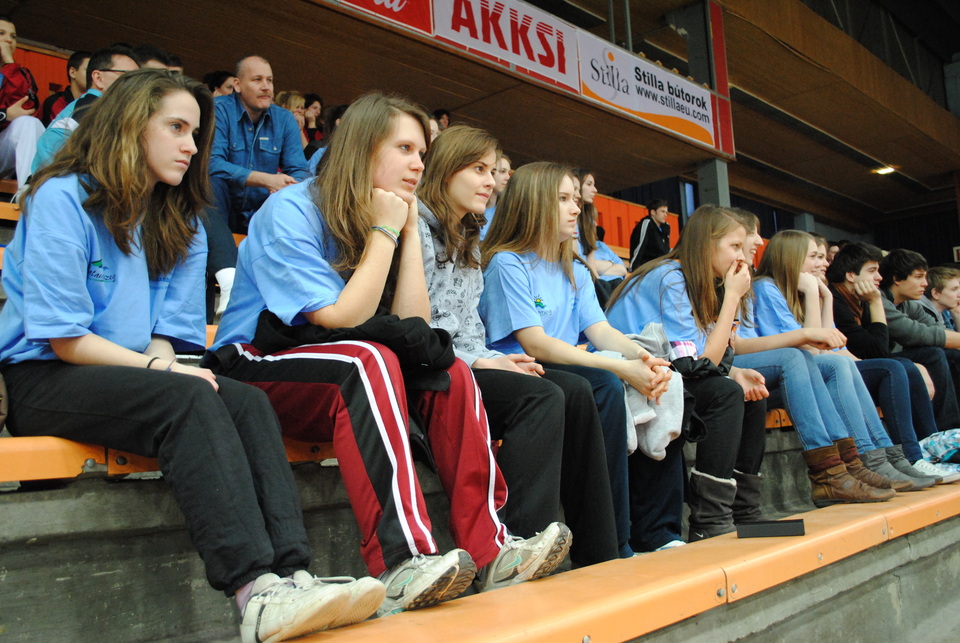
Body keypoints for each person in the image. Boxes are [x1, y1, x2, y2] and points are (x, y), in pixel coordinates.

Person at [0, 68, 385, 643]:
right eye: (176, 128)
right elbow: (65, 339)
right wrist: (159, 371)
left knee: (247, 402)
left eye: (196, 133)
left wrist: (160, 365)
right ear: (129, 126)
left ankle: (293, 574)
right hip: (45, 376)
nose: (189, 145)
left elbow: (164, 336)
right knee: (187, 397)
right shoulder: (62, 196)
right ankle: (253, 591)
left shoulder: (181, 217)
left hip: (129, 374)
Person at [207, 93, 570, 616]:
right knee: (367, 359)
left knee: (449, 371)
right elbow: (339, 318)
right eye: (404, 149)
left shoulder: (386, 212)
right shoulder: (291, 209)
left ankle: (492, 551)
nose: (419, 163)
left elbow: (413, 326)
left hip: (341, 363)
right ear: (362, 148)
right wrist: (385, 230)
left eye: (422, 152)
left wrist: (407, 229)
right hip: (256, 362)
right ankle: (402, 561)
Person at [417, 124, 616, 565]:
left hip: (464, 361)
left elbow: (469, 329)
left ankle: (601, 552)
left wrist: (493, 359)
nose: (490, 181)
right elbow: (417, 328)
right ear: (446, 170)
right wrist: (484, 362)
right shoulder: (417, 227)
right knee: (543, 395)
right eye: (478, 169)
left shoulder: (467, 239)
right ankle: (521, 546)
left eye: (493, 171)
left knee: (578, 389)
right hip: (428, 369)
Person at [480, 161, 672, 557]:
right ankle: (603, 545)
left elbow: (600, 330)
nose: (575, 208)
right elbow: (536, 344)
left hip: (567, 366)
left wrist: (642, 357)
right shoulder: (508, 262)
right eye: (563, 199)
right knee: (602, 383)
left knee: (608, 385)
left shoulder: (576, 269)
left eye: (575, 199)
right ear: (534, 204)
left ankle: (614, 541)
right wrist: (620, 367)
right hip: (519, 368)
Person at [607, 204, 769, 541]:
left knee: (751, 395)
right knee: (725, 393)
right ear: (706, 244)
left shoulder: (701, 280)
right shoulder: (671, 277)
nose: (741, 257)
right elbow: (697, 365)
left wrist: (736, 371)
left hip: (669, 372)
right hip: (628, 378)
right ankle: (710, 521)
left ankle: (744, 511)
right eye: (734, 246)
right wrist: (732, 298)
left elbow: (705, 360)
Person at [751, 231, 935, 490]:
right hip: (776, 379)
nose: (823, 263)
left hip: (807, 371)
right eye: (814, 257)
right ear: (791, 258)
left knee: (858, 364)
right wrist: (814, 295)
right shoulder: (766, 287)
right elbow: (813, 349)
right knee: (865, 366)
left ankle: (885, 457)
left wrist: (824, 297)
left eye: (822, 257)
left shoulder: (802, 290)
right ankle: (869, 459)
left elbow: (830, 344)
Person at [826, 243, 960, 482]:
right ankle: (914, 456)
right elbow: (878, 350)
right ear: (851, 275)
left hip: (862, 366)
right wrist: (876, 303)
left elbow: (930, 332)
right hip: (840, 372)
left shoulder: (862, 298)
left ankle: (935, 446)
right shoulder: (839, 299)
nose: (879, 278)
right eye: (872, 271)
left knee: (933, 356)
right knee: (898, 367)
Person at [879, 248, 960, 430]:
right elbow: (914, 333)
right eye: (918, 277)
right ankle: (947, 429)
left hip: (897, 358)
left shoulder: (908, 303)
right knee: (933, 354)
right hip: (876, 360)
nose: (925, 283)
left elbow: (936, 330)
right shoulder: (879, 300)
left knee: (952, 354)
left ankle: (954, 427)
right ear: (897, 279)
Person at [32, 45, 140, 174]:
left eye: (138, 79)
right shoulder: (90, 109)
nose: (136, 84)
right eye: (127, 76)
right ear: (98, 78)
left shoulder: (94, 107)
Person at [0, 16, 44, 189]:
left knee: (29, 123)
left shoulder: (20, 72)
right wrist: (4, 115)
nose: (8, 40)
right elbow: (10, 112)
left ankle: (28, 192)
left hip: (3, 149)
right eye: (1, 33)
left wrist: (9, 63)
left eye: (13, 36)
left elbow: (25, 106)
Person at [40, 50, 90, 126]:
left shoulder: (98, 103)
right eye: (88, 70)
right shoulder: (54, 102)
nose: (93, 75)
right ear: (72, 72)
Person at [629, 199, 671, 271]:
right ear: (653, 212)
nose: (665, 215)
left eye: (666, 212)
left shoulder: (666, 226)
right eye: (662, 211)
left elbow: (666, 249)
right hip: (646, 265)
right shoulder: (646, 223)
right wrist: (633, 269)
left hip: (660, 265)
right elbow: (639, 247)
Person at [479, 153, 510, 240]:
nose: (508, 177)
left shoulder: (505, 212)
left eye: (509, 173)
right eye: (502, 171)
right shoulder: (473, 209)